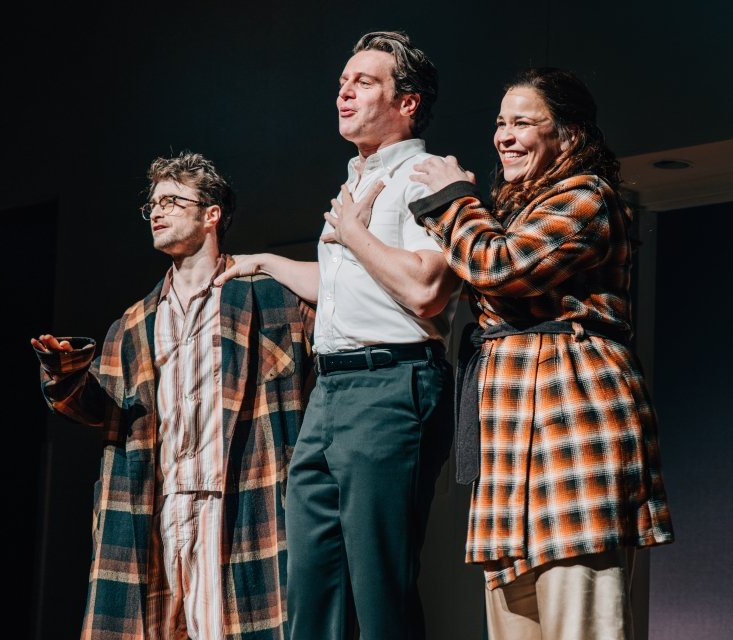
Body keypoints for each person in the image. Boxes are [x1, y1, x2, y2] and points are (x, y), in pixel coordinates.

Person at [408, 68, 675, 639]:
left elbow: (500, 267)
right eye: (500, 122)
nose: (503, 135)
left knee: (580, 625)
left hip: (573, 439)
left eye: (523, 122)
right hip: (509, 456)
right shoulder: (505, 213)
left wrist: (453, 199)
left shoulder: (588, 198)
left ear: (569, 136)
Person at [216, 31, 460, 640]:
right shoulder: (357, 179)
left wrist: (353, 232)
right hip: (330, 391)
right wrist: (267, 262)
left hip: (391, 384)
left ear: (407, 102)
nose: (345, 92)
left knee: (379, 587)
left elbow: (427, 290)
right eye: (343, 82)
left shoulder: (424, 177)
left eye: (365, 82)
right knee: (312, 584)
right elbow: (350, 287)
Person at [31, 151, 314, 640]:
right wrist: (65, 372)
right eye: (152, 204)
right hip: (155, 502)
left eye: (171, 201)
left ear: (211, 215)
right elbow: (101, 410)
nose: (156, 212)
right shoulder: (134, 322)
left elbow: (335, 334)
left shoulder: (268, 299)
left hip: (239, 499)